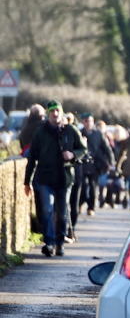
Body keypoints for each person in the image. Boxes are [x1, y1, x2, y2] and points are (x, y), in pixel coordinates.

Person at [23, 101, 87, 257]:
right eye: (52, 111)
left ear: (62, 112)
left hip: (64, 179)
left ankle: (59, 243)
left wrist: (73, 155)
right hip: (45, 178)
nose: (55, 114)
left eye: (57, 110)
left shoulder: (70, 130)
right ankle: (49, 243)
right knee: (47, 210)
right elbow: (32, 158)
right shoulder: (40, 132)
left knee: (62, 212)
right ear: (48, 114)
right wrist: (27, 181)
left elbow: (83, 149)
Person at [79, 113, 114, 215]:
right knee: (83, 186)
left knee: (93, 187)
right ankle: (80, 204)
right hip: (82, 164)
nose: (88, 123)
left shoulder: (98, 134)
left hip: (95, 165)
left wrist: (111, 161)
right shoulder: (79, 133)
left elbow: (107, 148)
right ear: (83, 122)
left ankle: (91, 207)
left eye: (90, 120)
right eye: (86, 121)